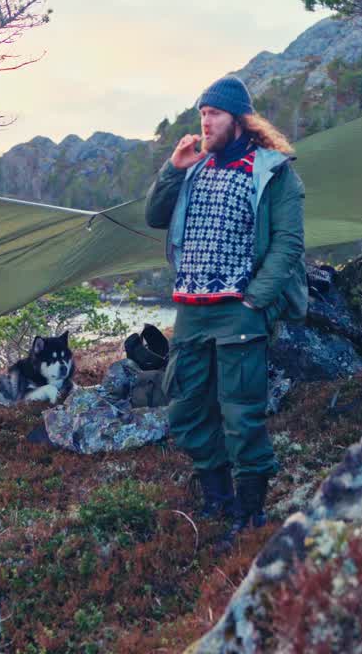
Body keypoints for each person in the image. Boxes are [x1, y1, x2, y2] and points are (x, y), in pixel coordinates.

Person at [145, 75, 307, 538]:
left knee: (241, 414)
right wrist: (173, 169)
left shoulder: (273, 171)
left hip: (240, 309)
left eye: (213, 113)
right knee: (186, 409)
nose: (205, 121)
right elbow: (156, 217)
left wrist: (256, 298)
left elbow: (289, 243)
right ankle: (218, 499)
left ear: (237, 118)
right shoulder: (195, 168)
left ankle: (250, 514)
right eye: (202, 114)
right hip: (192, 309)